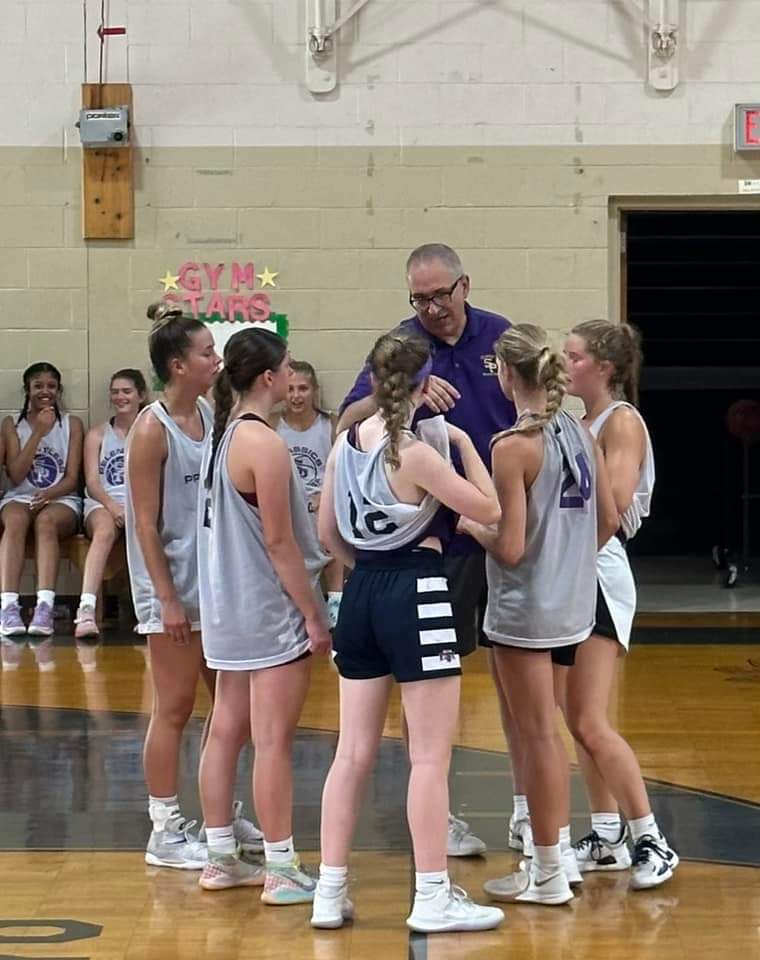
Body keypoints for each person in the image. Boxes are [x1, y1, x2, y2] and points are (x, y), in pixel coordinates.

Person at [312, 333, 504, 933]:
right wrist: (469, 444)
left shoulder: (343, 446)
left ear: (371, 381)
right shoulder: (416, 452)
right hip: (417, 587)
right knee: (427, 756)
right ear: (425, 386)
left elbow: (327, 538)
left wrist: (367, 562)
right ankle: (431, 896)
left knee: (350, 754)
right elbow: (488, 510)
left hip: (362, 590)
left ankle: (328, 891)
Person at [338, 243, 515, 856]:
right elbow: (351, 417)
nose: (434, 308)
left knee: (521, 663)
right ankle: (443, 816)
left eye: (442, 294)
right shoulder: (403, 347)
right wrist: (409, 385)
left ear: (465, 284)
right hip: (443, 533)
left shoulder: (499, 336)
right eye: (421, 298)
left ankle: (526, 806)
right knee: (438, 676)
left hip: (506, 516)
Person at [458, 324, 619, 906]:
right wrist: (571, 563)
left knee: (537, 737)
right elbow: (608, 518)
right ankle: (548, 860)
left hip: (527, 611)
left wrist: (474, 525)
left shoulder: (512, 445)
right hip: (573, 606)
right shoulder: (579, 429)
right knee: (543, 733)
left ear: (505, 373)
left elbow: (510, 547)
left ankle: (549, 869)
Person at [125, 302, 261, 871]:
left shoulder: (209, 412)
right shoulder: (151, 429)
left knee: (230, 709)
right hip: (172, 588)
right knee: (175, 707)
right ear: (178, 365)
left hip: (214, 583)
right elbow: (144, 523)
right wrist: (168, 599)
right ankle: (164, 828)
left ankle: (219, 814)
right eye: (207, 352)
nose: (217, 359)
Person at [196, 329, 331, 900]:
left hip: (226, 605)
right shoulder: (265, 444)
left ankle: (221, 856)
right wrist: (315, 614)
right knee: (272, 739)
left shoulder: (221, 436)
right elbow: (281, 545)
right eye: (286, 365)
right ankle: (280, 867)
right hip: (264, 607)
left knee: (226, 728)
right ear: (269, 378)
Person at [560, 319, 679, 890]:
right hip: (572, 573)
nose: (564, 364)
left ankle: (651, 836)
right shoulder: (578, 421)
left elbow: (611, 512)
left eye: (575, 356)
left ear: (604, 367)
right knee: (577, 720)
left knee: (588, 718)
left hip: (600, 573)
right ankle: (606, 834)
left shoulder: (621, 422)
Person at [0, 362, 83, 671]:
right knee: (16, 520)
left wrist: (49, 494)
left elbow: (73, 477)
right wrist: (37, 434)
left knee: (46, 522)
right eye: (38, 386)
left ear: (58, 390)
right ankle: (9, 606)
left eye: (51, 385)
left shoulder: (72, 424)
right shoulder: (12, 425)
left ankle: (44, 607)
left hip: (60, 497)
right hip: (20, 496)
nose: (45, 391)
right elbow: (16, 473)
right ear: (28, 390)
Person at [74, 369, 148, 667]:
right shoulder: (97, 434)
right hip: (102, 503)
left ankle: (147, 611)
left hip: (140, 503)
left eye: (127, 391)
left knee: (147, 528)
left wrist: (135, 508)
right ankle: (86, 609)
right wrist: (113, 507)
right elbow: (92, 481)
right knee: (104, 530)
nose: (120, 397)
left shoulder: (151, 430)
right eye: (115, 391)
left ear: (141, 395)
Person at [274, 360, 342, 628]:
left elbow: (344, 473)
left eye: (303, 388)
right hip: (289, 508)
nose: (296, 396)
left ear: (314, 390)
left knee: (329, 525)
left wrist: (325, 497)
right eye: (290, 389)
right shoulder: (272, 425)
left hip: (323, 505)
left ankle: (336, 604)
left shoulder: (330, 424)